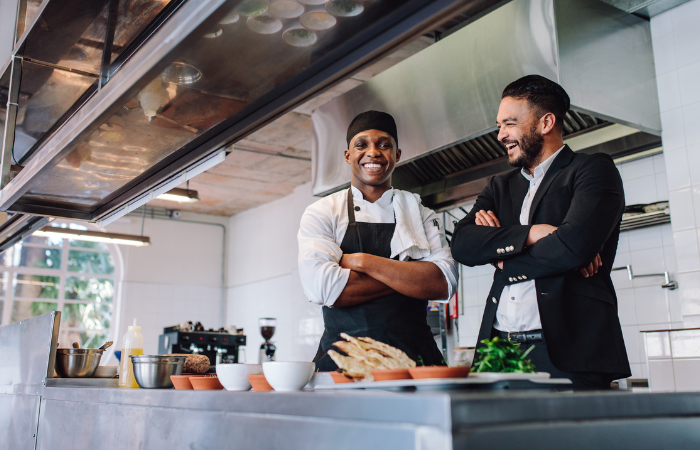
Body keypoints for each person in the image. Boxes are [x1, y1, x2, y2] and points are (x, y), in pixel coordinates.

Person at [450, 75, 631, 389]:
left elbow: (573, 247)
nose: (500, 135)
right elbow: (463, 245)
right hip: (500, 350)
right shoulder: (500, 186)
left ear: (546, 122)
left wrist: (501, 258)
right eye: (499, 126)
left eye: (509, 124)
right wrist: (531, 234)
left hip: (569, 352)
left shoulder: (592, 170)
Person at [298, 110, 459, 371]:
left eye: (384, 145)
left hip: (415, 362)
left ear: (396, 154)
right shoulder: (323, 211)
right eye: (362, 145)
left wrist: (362, 261)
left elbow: (443, 283)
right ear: (348, 155)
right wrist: (410, 275)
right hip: (344, 363)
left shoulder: (420, 213)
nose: (373, 152)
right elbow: (324, 289)